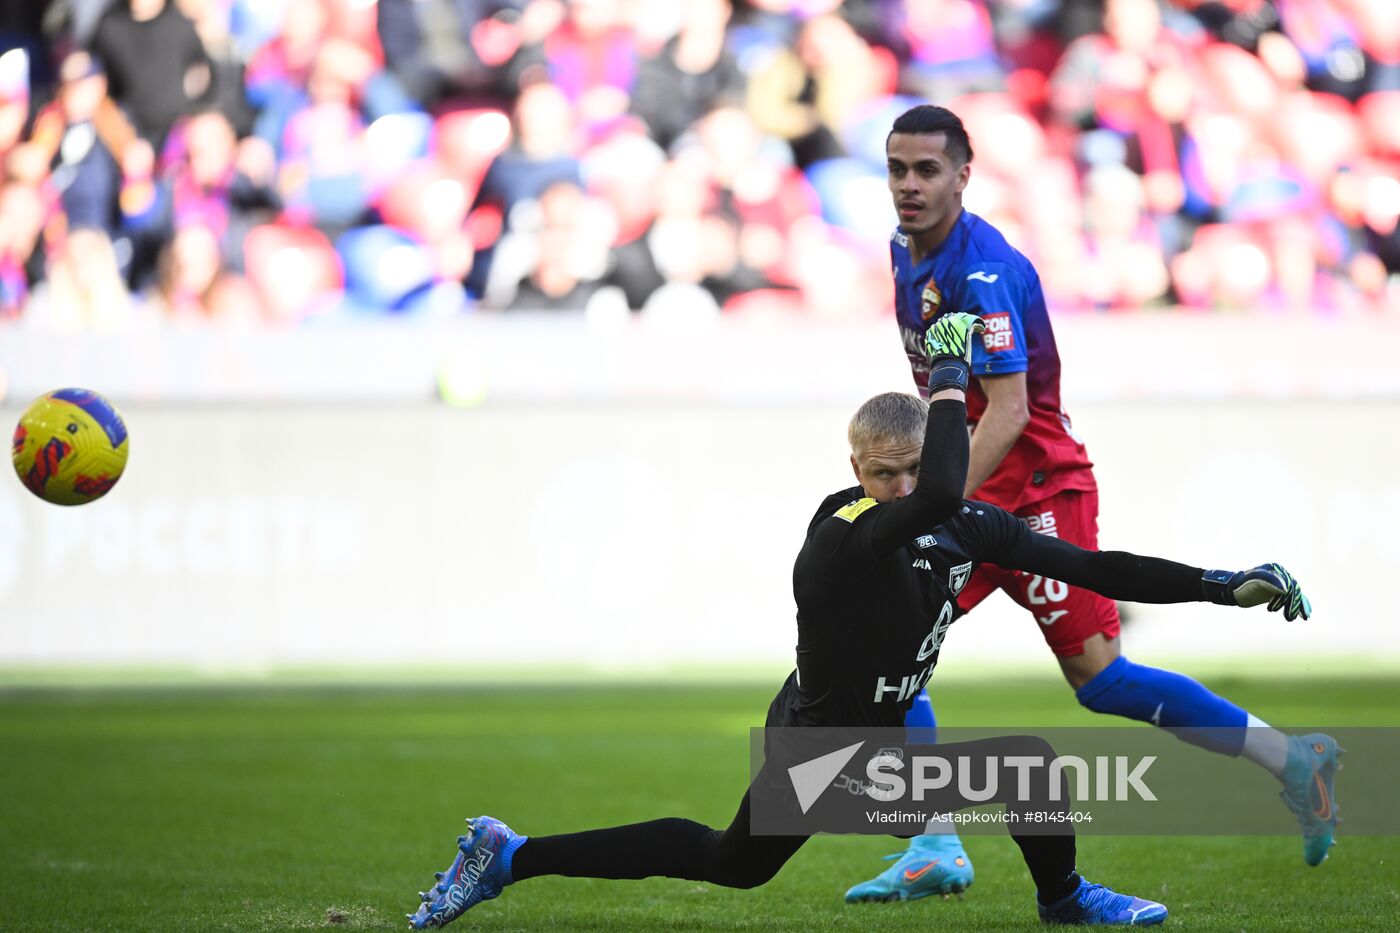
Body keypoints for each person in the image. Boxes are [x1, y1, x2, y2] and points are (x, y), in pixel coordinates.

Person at [404, 311, 1319, 929]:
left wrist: (1218, 581)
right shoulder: (843, 533)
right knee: (1018, 773)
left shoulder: (960, 519)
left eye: (909, 468)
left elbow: (1093, 565)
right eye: (880, 471)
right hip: (821, 748)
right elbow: (940, 494)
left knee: (736, 860)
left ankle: (508, 853)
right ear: (855, 465)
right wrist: (956, 380)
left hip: (874, 740)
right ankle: (1065, 897)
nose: (898, 485)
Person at [843, 104, 1340, 905]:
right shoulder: (907, 252)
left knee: (1102, 682)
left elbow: (1005, 412)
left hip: (1035, 490)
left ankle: (1294, 761)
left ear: (964, 175)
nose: (908, 184)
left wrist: (932, 506)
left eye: (926, 169)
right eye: (897, 168)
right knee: (886, 647)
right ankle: (934, 841)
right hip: (966, 488)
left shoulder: (982, 271)